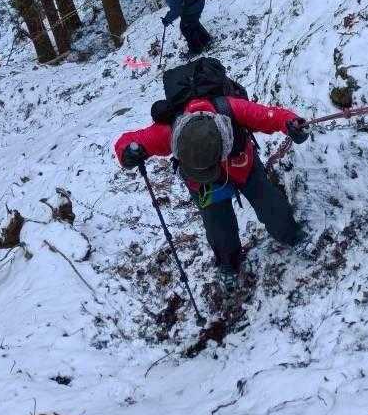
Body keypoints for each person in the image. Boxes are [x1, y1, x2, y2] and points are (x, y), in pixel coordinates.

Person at [114, 88, 310, 286]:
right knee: (218, 226)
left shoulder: (230, 109)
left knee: (270, 204)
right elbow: (128, 141)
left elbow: (269, 116)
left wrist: (291, 124)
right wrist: (127, 153)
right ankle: (228, 264)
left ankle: (291, 235)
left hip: (242, 165)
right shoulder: (170, 130)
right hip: (203, 182)